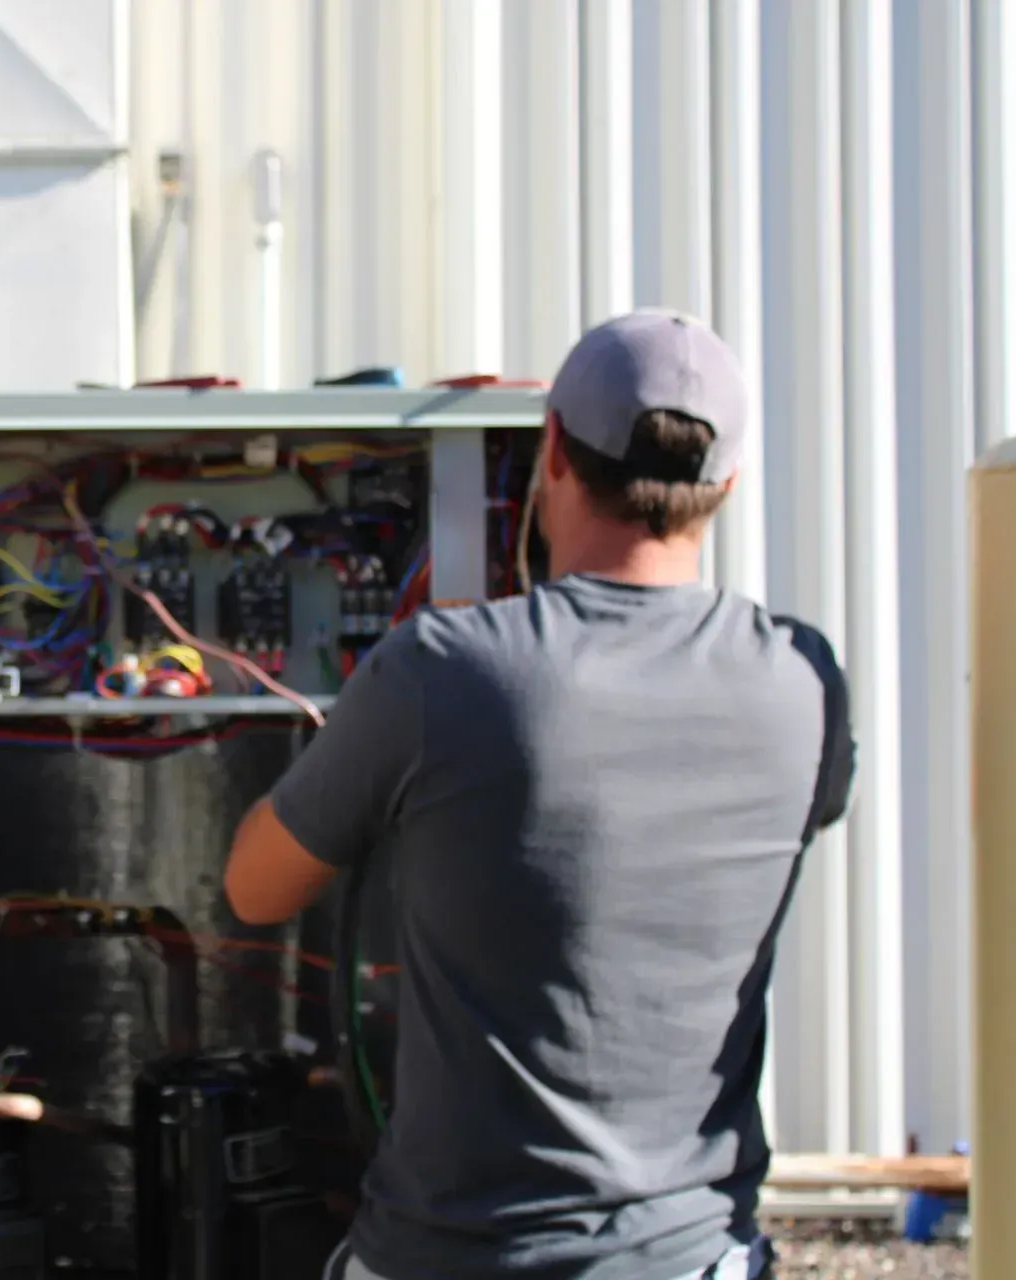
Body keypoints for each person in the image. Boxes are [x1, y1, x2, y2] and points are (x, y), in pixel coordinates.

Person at [224, 311, 855, 1280]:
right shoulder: (805, 680)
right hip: (696, 1256)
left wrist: (363, 753)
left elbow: (254, 890)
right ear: (725, 482)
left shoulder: (438, 671)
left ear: (551, 447)